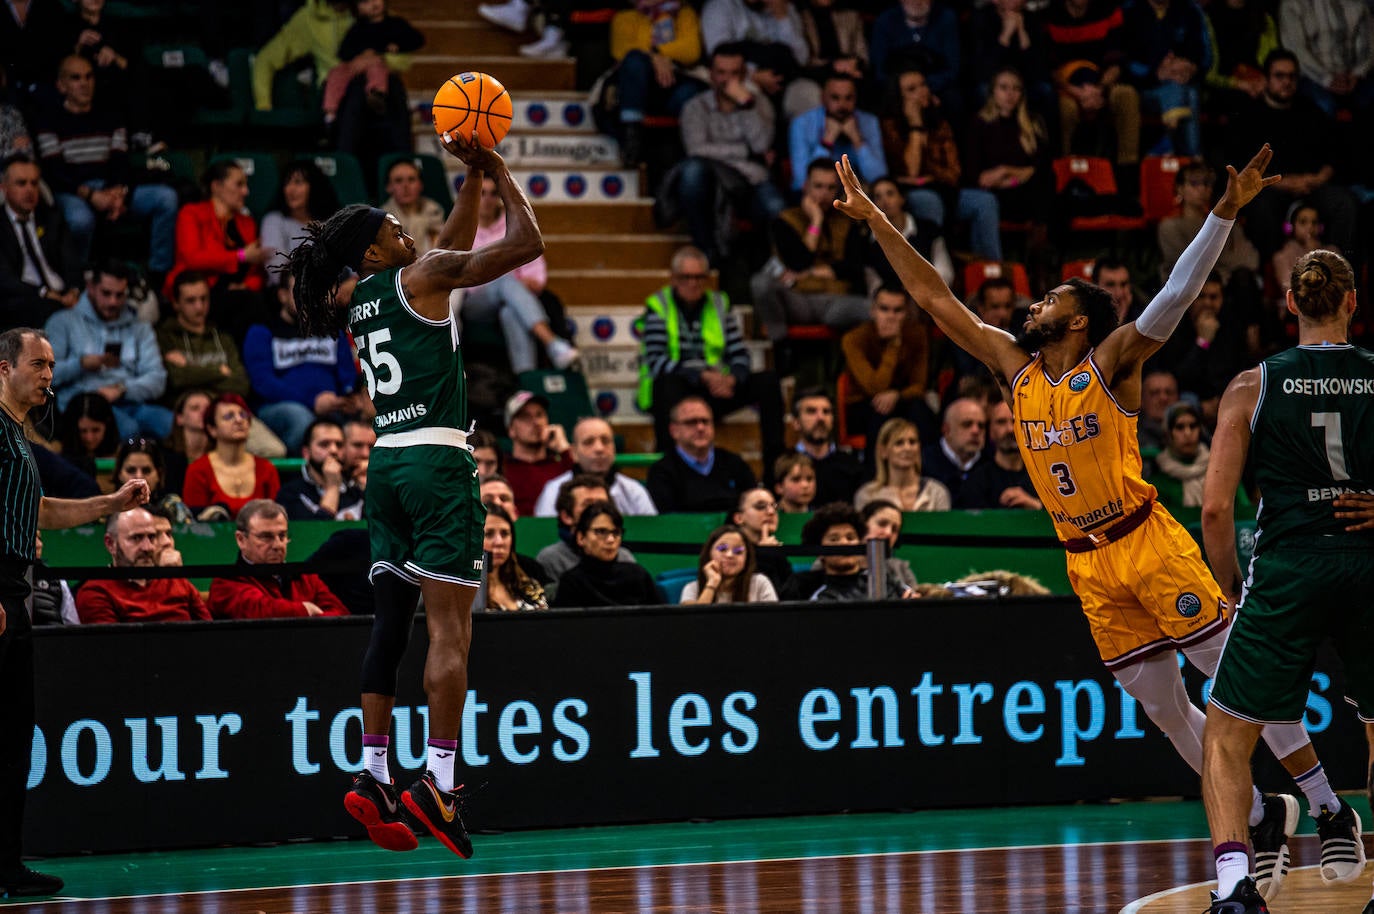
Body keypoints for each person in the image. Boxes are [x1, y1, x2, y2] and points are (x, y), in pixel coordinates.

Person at [836, 144, 1338, 904]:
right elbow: (937, 298)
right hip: (1086, 560)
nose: (1031, 306)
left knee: (1234, 678)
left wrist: (1222, 215)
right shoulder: (1016, 369)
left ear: (1077, 319)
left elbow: (1172, 295)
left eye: (1048, 301)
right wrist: (877, 222)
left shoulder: (1113, 362)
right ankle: (1264, 813)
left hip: (1146, 538)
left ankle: (1332, 808)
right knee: (1164, 709)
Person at [281, 132, 544, 858]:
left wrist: (468, 182)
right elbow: (527, 244)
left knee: (389, 626)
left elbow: (445, 250)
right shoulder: (422, 277)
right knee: (451, 633)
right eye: (393, 229)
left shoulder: (362, 295)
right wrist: (498, 170)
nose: (407, 230)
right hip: (437, 461)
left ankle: (370, 774)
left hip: (386, 467)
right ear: (371, 250)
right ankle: (438, 782)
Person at [1200, 249, 1374, 912]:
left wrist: (1235, 588)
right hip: (1368, 562)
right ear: (1352, 302)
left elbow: (1216, 509)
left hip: (1287, 567)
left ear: (1291, 304)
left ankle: (1235, 889)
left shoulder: (1252, 385)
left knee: (1226, 735)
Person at [0, 327, 150, 899]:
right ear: (3, 368)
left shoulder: (21, 437)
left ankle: (7, 865)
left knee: (13, 740)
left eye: (52, 364)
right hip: (1, 590)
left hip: (17, 592)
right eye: (37, 364)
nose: (48, 374)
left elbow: (38, 512)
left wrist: (109, 504)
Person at [638, 245, 784, 469]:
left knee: (768, 381)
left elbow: (740, 354)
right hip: (681, 390)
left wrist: (732, 379)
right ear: (674, 279)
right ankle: (668, 469)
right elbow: (656, 361)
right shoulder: (659, 305)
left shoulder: (717, 304)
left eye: (699, 277)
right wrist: (701, 376)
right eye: (686, 277)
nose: (693, 283)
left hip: (716, 389)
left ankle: (776, 469)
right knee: (665, 385)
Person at [32, 54, 176, 281]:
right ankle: (76, 280)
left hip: (108, 187)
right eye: (76, 78)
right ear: (61, 85)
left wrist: (118, 192)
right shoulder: (48, 119)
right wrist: (91, 195)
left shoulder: (110, 114)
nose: (84, 83)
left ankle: (159, 277)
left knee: (166, 199)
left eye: (89, 77)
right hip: (72, 191)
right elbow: (55, 172)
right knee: (80, 220)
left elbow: (121, 160)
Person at [660, 42, 783, 267]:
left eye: (735, 73)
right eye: (721, 73)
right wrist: (743, 152)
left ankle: (772, 271)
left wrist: (746, 106)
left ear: (745, 74)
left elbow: (761, 144)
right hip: (712, 181)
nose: (727, 80)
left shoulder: (758, 104)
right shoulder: (695, 107)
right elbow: (696, 150)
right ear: (711, 74)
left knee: (778, 210)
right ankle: (707, 251)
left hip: (750, 182)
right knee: (692, 171)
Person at [879, 66, 1001, 263]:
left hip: (944, 189)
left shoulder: (939, 123)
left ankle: (991, 271)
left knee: (984, 201)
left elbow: (954, 173)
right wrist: (916, 127)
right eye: (912, 89)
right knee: (928, 200)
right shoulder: (889, 126)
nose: (922, 92)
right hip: (907, 195)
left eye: (923, 85)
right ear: (898, 96)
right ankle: (936, 265)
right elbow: (909, 171)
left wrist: (929, 177)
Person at [458, 174, 578, 373]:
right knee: (505, 281)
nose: (487, 199)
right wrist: (508, 282)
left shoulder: (514, 227)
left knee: (510, 313)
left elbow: (537, 275)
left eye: (493, 193)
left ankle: (526, 378)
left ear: (499, 198)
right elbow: (464, 278)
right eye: (482, 193)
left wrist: (511, 285)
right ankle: (552, 343)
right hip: (475, 304)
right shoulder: (461, 230)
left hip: (511, 301)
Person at [44, 258, 172, 440]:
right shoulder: (63, 322)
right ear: (91, 287)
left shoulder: (139, 328)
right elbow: (45, 375)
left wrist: (122, 389)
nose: (113, 302)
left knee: (172, 426)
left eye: (119, 295)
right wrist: (80, 364)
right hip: (84, 407)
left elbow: (157, 379)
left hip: (130, 401)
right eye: (106, 293)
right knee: (129, 430)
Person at [750, 157, 870, 349]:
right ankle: (781, 348)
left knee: (877, 309)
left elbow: (855, 268)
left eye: (830, 188)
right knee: (760, 284)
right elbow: (799, 263)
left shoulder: (848, 223)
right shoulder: (785, 221)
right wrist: (816, 221)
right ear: (806, 186)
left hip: (836, 300)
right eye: (818, 186)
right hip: (798, 298)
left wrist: (813, 272)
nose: (824, 194)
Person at [243, 273, 367, 452]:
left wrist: (348, 398)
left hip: (331, 405)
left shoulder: (333, 332)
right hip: (280, 407)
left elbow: (347, 376)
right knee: (301, 419)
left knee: (360, 422)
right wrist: (312, 402)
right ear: (282, 295)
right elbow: (264, 384)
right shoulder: (262, 332)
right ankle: (300, 476)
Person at [165, 160, 274, 344]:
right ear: (216, 186)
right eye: (239, 184)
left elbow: (257, 271)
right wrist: (239, 256)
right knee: (248, 304)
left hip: (239, 295)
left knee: (259, 299)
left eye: (245, 185)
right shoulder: (191, 214)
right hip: (200, 292)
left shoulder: (247, 223)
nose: (246, 192)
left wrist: (247, 285)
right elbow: (192, 258)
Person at [209, 498, 349, 619]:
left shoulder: (305, 579)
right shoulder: (224, 584)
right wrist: (305, 610)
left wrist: (311, 616)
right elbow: (260, 612)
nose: (277, 545)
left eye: (282, 536)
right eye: (266, 537)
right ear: (241, 539)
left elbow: (341, 614)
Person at [840, 284, 935, 457]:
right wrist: (893, 346)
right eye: (884, 309)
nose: (891, 317)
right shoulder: (853, 339)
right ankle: (875, 479)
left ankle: (927, 472)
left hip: (903, 400)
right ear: (873, 311)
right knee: (880, 415)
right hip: (865, 403)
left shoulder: (917, 335)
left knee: (921, 411)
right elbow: (875, 387)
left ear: (906, 313)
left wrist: (897, 395)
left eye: (897, 310)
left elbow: (919, 386)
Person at [608, 0, 705, 167]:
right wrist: (654, 58)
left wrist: (659, 53)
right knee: (634, 61)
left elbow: (691, 51)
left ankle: (695, 157)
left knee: (691, 93)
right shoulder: (624, 17)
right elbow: (622, 51)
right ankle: (631, 139)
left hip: (673, 81)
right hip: (636, 86)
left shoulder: (684, 14)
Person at [74, 506, 209, 623]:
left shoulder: (177, 582)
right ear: (110, 544)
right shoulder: (96, 591)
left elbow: (213, 635)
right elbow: (112, 648)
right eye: (136, 538)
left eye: (151, 537)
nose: (148, 547)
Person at [1, 155, 81, 329]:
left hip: (63, 294)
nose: (30, 190)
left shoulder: (51, 217)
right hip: (27, 297)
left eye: (34, 183)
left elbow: (71, 259)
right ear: (4, 187)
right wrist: (44, 293)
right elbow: (5, 278)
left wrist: (73, 291)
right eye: (21, 183)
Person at [781, 501, 914, 601]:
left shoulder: (884, 581)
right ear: (819, 551)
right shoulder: (803, 588)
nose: (844, 543)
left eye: (850, 537)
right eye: (834, 539)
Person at [646, 395, 757, 513]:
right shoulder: (661, 472)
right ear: (674, 430)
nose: (700, 427)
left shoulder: (734, 463)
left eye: (705, 421)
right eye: (691, 422)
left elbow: (753, 507)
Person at [321, 0, 423, 126]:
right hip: (357, 65)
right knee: (337, 73)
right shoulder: (358, 28)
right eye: (365, 2)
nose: (373, 4)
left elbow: (417, 39)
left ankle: (376, 94)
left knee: (377, 69)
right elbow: (343, 51)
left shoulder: (396, 24)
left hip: (378, 61)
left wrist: (396, 46)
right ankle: (330, 110)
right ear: (357, 8)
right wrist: (360, 55)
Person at [182, 392, 281, 519]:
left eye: (243, 415)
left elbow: (276, 519)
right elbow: (193, 525)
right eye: (228, 416)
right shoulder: (198, 470)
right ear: (212, 429)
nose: (239, 420)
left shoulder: (267, 469)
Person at [533, 416, 656, 517]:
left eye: (606, 441)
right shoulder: (554, 491)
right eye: (588, 442)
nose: (599, 448)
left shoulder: (634, 492)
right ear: (574, 453)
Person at [552, 501, 663, 608]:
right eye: (601, 532)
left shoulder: (638, 576)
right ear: (581, 537)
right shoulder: (572, 583)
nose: (610, 539)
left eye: (616, 533)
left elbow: (661, 620)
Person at [534, 473, 637, 580]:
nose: (598, 511)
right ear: (567, 516)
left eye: (603, 505)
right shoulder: (552, 559)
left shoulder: (624, 558)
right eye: (588, 505)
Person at [260, 159, 341, 284]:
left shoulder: (333, 223)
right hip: (291, 292)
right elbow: (277, 269)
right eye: (287, 183)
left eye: (298, 182)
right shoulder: (274, 220)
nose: (290, 189)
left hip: (337, 290)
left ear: (314, 186)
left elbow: (351, 266)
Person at [956, 398, 1043, 510]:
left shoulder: (1043, 476)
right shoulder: (976, 481)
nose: (1010, 429)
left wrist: (1036, 505)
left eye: (1015, 421)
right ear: (990, 431)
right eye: (1001, 422)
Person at [853, 417, 951, 512]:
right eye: (899, 443)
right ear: (883, 451)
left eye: (912, 442)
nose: (907, 448)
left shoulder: (937, 493)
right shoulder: (868, 495)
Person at [502, 390, 573, 518]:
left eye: (540, 415)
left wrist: (564, 448)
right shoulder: (502, 468)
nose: (536, 422)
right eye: (525, 417)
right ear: (511, 430)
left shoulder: (561, 464)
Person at [276, 418, 364, 520]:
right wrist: (333, 487)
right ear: (306, 453)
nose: (333, 450)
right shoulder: (291, 493)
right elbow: (314, 532)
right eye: (324, 444)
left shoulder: (356, 490)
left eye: (339, 445)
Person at [789, 386, 863, 505]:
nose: (821, 418)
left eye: (826, 412)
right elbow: (774, 506)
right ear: (796, 422)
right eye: (811, 411)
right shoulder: (784, 465)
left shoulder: (851, 465)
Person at [473, 504, 547, 612]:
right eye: (488, 534)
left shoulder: (529, 586)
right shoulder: (465, 593)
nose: (499, 542)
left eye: (505, 534)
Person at [680, 523, 778, 604]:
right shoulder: (692, 589)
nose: (730, 555)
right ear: (709, 553)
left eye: (738, 551)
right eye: (722, 549)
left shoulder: (760, 583)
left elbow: (773, 623)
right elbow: (695, 622)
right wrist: (712, 584)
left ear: (747, 558)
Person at [919, 397, 987, 502]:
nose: (975, 431)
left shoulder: (991, 462)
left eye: (981, 426)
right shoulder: (923, 462)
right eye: (967, 424)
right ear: (946, 430)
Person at [1145, 400, 1207, 511]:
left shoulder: (1217, 471)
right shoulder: (1156, 485)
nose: (1188, 433)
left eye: (1193, 426)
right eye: (1179, 427)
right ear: (1168, 433)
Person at [380, 158, 445, 256]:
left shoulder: (434, 212)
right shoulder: (381, 219)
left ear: (420, 184)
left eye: (411, 179)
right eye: (398, 180)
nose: (405, 186)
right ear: (389, 187)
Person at [860, 498, 918, 591]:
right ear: (863, 524)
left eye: (895, 529)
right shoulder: (841, 567)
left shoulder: (902, 569)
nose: (888, 533)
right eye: (882, 524)